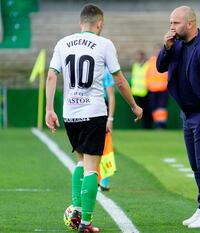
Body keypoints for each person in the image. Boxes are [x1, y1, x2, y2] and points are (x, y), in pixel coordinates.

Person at [45, 4, 142, 232]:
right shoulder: (104, 44)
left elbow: (51, 76)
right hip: (94, 112)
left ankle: (77, 211)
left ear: (81, 23)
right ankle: (86, 223)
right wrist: (134, 106)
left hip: (70, 114)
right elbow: (119, 81)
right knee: (92, 168)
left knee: (80, 161)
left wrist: (50, 109)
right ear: (100, 24)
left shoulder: (63, 43)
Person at [156, 6, 200, 228]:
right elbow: (160, 67)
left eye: (175, 23)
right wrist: (165, 48)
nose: (171, 27)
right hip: (187, 114)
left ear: (190, 23)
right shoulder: (175, 45)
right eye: (170, 23)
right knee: (196, 165)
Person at [98, 69, 116, 191]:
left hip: (101, 109)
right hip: (87, 108)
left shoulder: (105, 72)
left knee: (103, 144)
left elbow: (111, 96)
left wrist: (110, 118)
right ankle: (94, 178)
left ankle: (104, 180)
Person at [145, 45, 169, 129]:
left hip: (162, 88)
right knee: (154, 107)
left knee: (161, 107)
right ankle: (157, 123)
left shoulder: (165, 60)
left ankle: (161, 124)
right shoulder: (150, 61)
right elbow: (146, 74)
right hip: (152, 88)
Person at [131, 50, 153, 128]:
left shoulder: (147, 65)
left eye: (138, 55)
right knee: (140, 110)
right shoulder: (135, 65)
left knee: (147, 110)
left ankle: (148, 126)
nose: (137, 57)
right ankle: (144, 126)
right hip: (137, 91)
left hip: (145, 91)